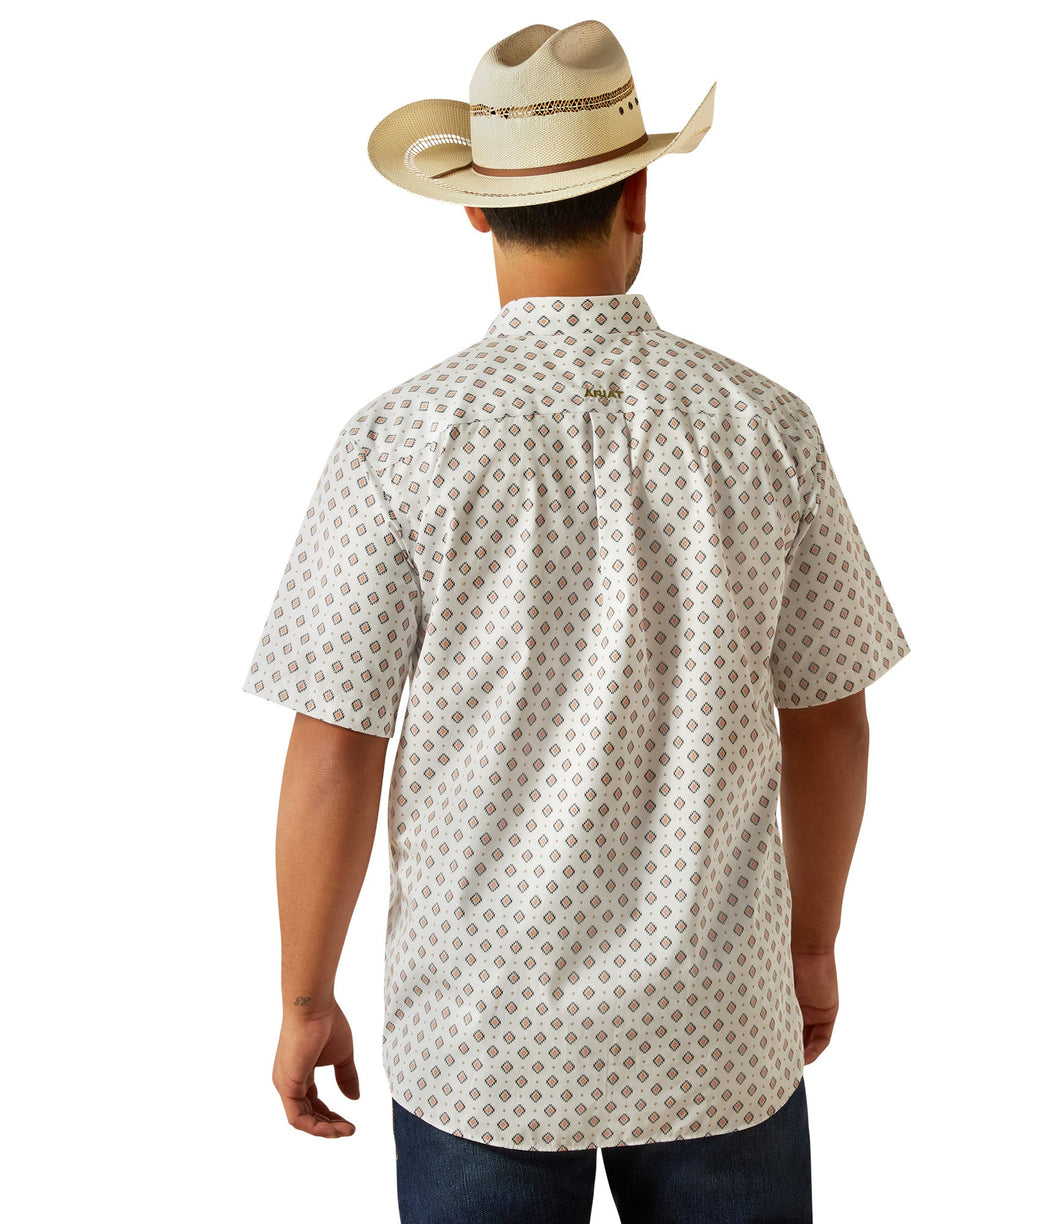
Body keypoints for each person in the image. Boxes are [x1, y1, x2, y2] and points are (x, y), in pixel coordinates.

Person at [240, 19, 911, 1224]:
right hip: (718, 1025)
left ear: (477, 211)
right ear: (640, 190)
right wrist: (810, 948)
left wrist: (303, 999)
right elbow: (831, 717)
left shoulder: (403, 441)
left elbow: (335, 745)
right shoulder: (763, 427)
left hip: (483, 1039)